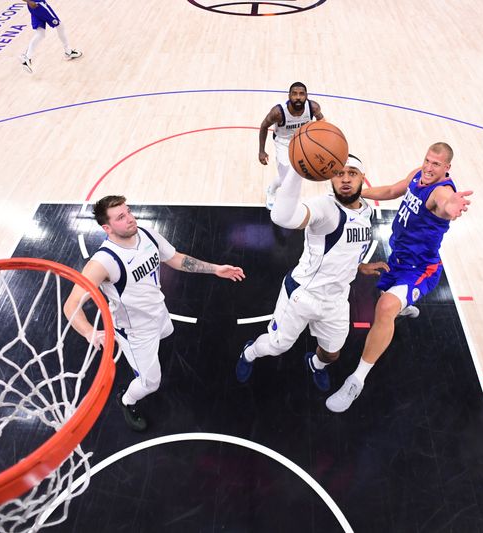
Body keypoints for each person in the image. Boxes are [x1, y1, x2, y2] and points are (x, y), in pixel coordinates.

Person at [64, 195, 245, 431]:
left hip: (159, 312)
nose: (130, 219)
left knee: (166, 334)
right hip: (135, 331)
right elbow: (72, 304)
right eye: (121, 217)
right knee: (151, 383)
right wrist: (89, 332)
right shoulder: (103, 262)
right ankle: (126, 400)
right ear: (107, 228)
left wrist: (215, 269)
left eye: (128, 211)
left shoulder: (147, 234)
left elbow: (176, 259)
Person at [325, 142, 473, 413]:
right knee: (387, 299)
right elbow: (394, 190)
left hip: (420, 268)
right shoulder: (419, 174)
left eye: (436, 164)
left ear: (447, 168)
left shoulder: (441, 191)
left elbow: (442, 203)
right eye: (428, 160)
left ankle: (356, 380)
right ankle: (402, 306)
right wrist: (353, 193)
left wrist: (449, 208)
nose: (429, 167)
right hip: (399, 257)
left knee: (385, 307)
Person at [235, 156, 388, 391]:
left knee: (331, 353)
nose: (345, 179)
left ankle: (315, 364)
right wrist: (296, 172)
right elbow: (282, 217)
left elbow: (343, 248)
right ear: (330, 179)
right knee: (277, 347)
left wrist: (359, 266)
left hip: (336, 300)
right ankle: (249, 353)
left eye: (352, 173)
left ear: (362, 178)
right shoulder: (325, 208)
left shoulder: (366, 212)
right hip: (302, 295)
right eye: (339, 173)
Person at [258, 82, 324, 210]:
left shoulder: (313, 107)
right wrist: (262, 151)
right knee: (287, 178)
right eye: (294, 94)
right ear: (289, 96)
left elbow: (322, 122)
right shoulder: (278, 112)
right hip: (283, 142)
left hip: (302, 140)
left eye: (301, 94)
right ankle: (271, 191)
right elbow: (264, 126)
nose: (298, 97)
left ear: (306, 96)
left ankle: (276, 190)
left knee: (298, 173)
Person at [20, 0, 82, 74]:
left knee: (40, 34)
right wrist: (29, 1)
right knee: (60, 26)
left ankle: (27, 57)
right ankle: (68, 52)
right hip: (39, 5)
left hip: (34, 6)